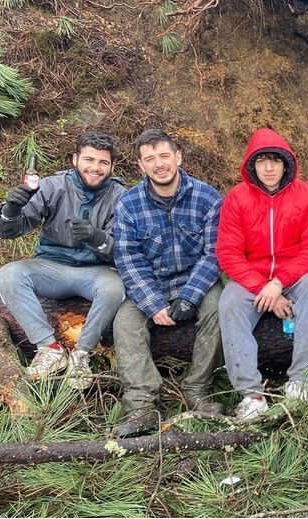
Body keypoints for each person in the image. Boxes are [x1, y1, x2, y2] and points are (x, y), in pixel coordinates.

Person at [111, 129, 224, 438]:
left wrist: (190, 296)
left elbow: (214, 252)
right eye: (150, 159)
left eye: (164, 156)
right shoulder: (128, 204)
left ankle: (197, 389)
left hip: (196, 280)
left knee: (218, 306)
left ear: (177, 157)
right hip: (152, 283)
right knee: (125, 322)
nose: (159, 164)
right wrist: (153, 303)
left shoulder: (207, 197)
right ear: (140, 166)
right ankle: (141, 406)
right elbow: (128, 258)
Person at [0, 131, 126, 389]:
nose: (95, 168)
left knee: (115, 288)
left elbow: (124, 251)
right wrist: (11, 209)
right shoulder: (53, 186)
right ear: (75, 159)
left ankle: (81, 355)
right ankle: (49, 349)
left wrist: (98, 238)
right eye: (89, 160)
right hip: (51, 266)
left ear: (112, 166)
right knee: (9, 274)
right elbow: (7, 230)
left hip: (95, 271)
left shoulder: (120, 196)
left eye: (103, 163)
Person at [216, 128, 308, 421]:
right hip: (250, 278)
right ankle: (251, 394)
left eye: (275, 161)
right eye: (261, 161)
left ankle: (300, 382)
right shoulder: (237, 198)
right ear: (251, 165)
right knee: (228, 303)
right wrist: (262, 287)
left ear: (286, 164)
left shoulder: (307, 195)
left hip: (293, 276)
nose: (268, 168)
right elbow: (228, 253)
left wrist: (278, 284)